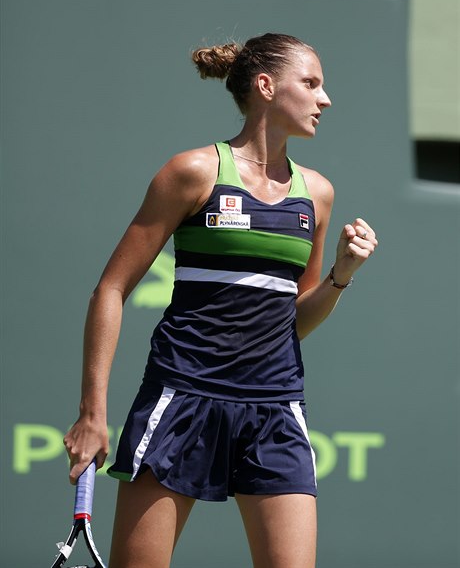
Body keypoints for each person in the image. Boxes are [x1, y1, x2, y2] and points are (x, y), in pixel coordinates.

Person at [63, 33, 378, 568]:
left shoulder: (316, 194)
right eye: (311, 83)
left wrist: (340, 276)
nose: (325, 99)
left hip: (275, 407)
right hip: (181, 397)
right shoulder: (191, 172)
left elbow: (292, 320)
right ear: (266, 86)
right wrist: (93, 413)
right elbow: (110, 290)